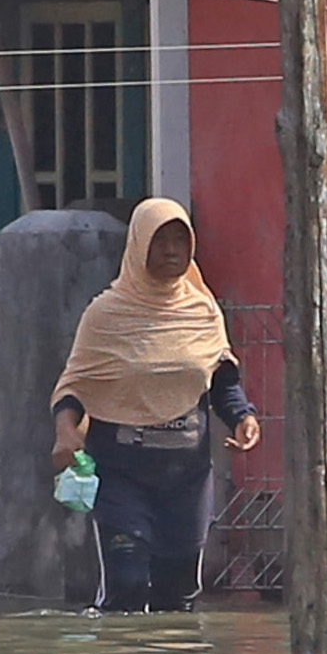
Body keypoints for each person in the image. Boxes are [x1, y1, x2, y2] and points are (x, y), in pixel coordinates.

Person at [50, 199, 262, 612]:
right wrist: (65, 431)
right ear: (138, 246)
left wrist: (243, 417)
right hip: (121, 476)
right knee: (126, 586)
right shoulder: (106, 314)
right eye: (159, 240)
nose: (170, 251)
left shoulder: (202, 311)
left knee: (178, 594)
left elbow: (221, 379)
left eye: (180, 241)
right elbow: (77, 384)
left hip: (185, 480)